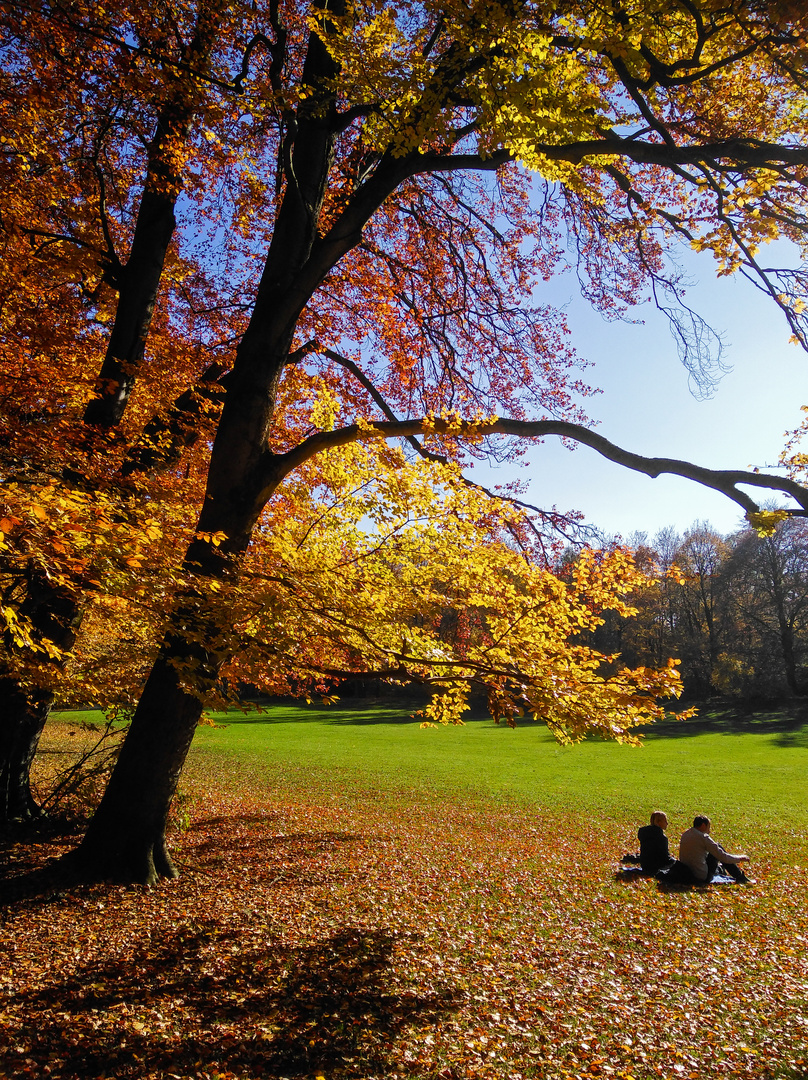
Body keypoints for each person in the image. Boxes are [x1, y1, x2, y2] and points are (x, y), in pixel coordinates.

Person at [678, 816, 751, 884]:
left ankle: (722, 870)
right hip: (701, 876)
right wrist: (740, 858)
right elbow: (722, 856)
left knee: (714, 854)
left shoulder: (685, 834)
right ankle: (739, 876)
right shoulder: (703, 837)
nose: (709, 831)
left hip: (687, 873)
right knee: (717, 848)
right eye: (708, 827)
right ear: (703, 825)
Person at [637, 811, 675, 875]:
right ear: (659, 822)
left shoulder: (643, 832)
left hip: (645, 865)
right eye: (665, 821)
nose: (667, 823)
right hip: (656, 866)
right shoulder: (661, 838)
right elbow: (664, 858)